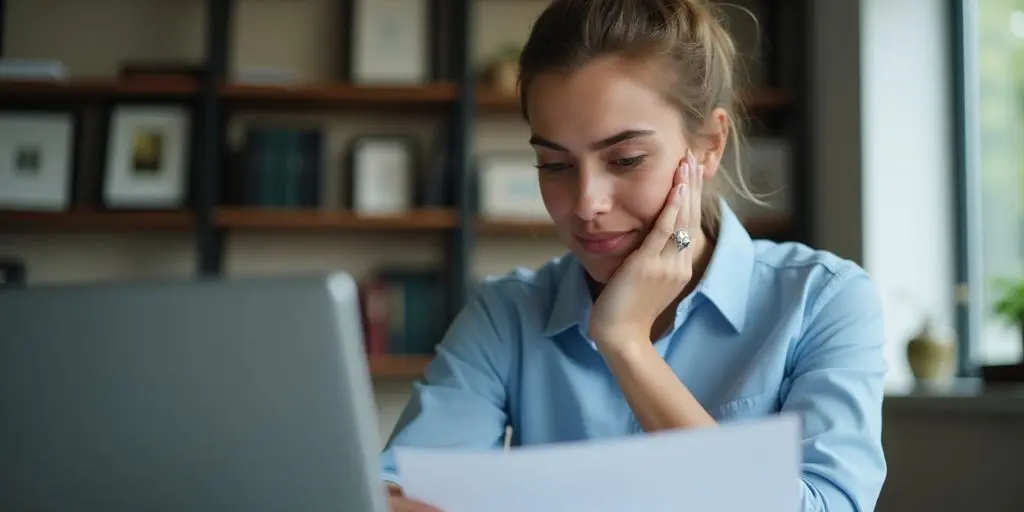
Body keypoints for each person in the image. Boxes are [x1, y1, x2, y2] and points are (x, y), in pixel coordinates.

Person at [381, 0, 887, 510]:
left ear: (709, 144)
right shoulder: (505, 315)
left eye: (626, 160)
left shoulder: (821, 300)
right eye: (554, 165)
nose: (586, 204)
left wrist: (626, 344)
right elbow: (394, 494)